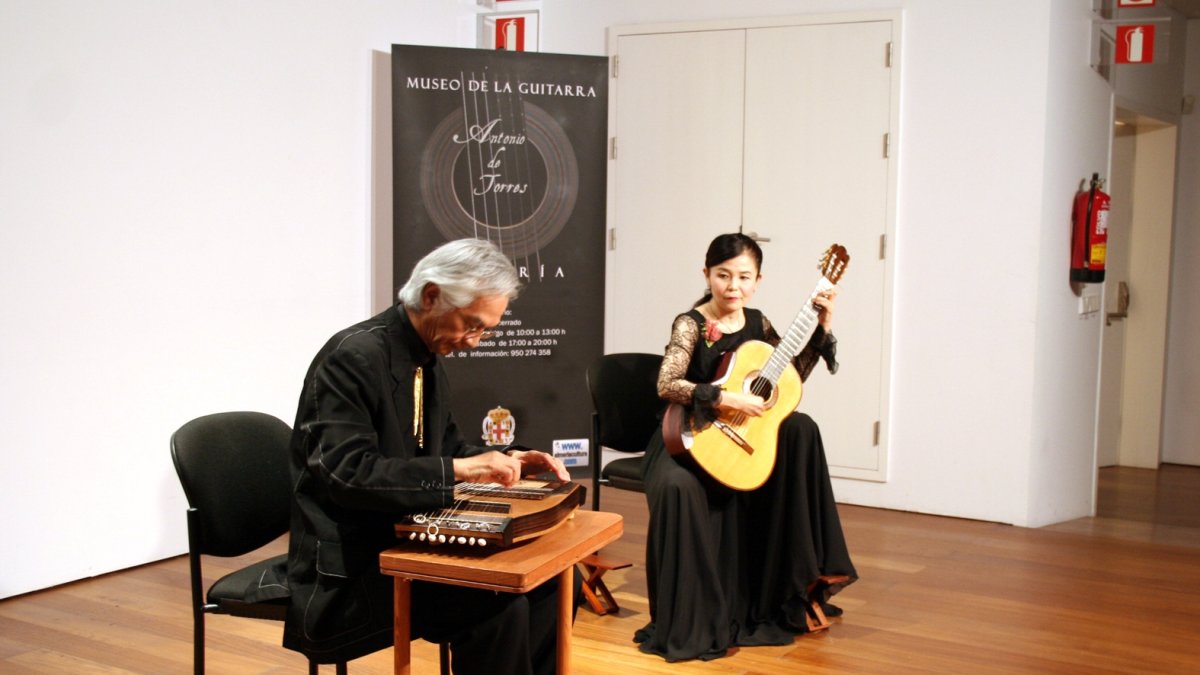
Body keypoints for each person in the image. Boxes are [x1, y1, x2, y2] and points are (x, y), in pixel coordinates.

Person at [280, 238, 573, 674]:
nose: (474, 343)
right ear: (431, 295)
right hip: (355, 564)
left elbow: (447, 448)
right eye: (472, 325)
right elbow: (346, 475)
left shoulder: (426, 356)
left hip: (410, 539)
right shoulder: (352, 359)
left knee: (552, 583)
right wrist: (461, 468)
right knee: (498, 607)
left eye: (485, 331)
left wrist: (505, 458)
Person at [634, 232, 857, 662]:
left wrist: (822, 326)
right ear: (707, 275)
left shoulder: (758, 323)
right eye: (723, 275)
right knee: (680, 489)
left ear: (757, 281)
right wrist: (724, 397)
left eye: (743, 277)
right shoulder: (691, 324)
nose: (732, 286)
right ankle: (692, 622)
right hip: (685, 439)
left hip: (736, 442)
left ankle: (783, 591)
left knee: (801, 428)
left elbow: (784, 381)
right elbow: (667, 384)